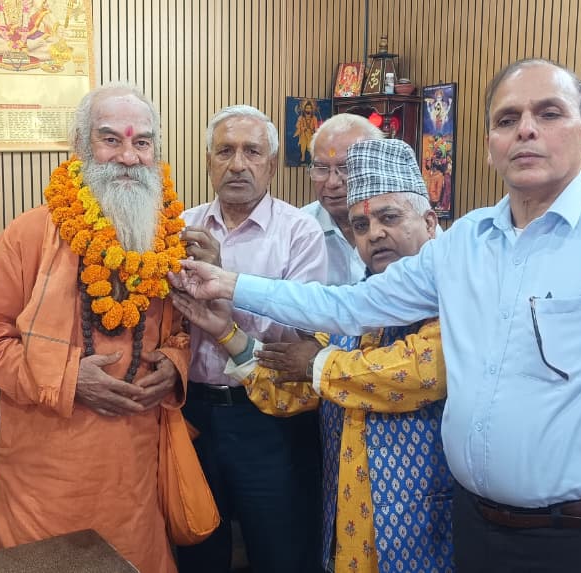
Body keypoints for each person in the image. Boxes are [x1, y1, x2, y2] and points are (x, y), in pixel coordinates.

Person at [173, 59, 581, 572]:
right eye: (507, 119)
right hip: (466, 531)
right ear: (490, 145)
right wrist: (228, 294)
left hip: (578, 536)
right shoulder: (468, 244)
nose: (526, 130)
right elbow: (343, 309)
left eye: (548, 113)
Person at [174, 138, 452, 573]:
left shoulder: (454, 300)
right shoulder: (354, 311)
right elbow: (288, 390)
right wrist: (225, 331)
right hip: (350, 523)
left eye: (390, 217)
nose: (375, 233)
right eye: (360, 225)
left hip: (422, 525)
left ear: (430, 222)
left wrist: (314, 363)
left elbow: (411, 374)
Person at [0, 82, 191, 573]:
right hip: (42, 482)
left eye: (142, 142)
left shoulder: (167, 240)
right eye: (111, 140)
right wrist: (69, 379)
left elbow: (180, 334)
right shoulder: (28, 234)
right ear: (81, 147)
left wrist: (174, 366)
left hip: (133, 476)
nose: (128, 157)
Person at [176, 105, 327, 573]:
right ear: (208, 161)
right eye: (225, 151)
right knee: (196, 549)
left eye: (252, 152)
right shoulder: (180, 227)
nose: (238, 164)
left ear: (272, 164)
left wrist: (224, 282)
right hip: (191, 412)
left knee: (280, 551)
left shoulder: (299, 232)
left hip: (270, 418)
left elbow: (299, 336)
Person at [301, 113, 382, 285]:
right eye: (321, 168)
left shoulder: (409, 224)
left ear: (376, 167)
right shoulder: (296, 230)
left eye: (346, 168)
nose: (332, 183)